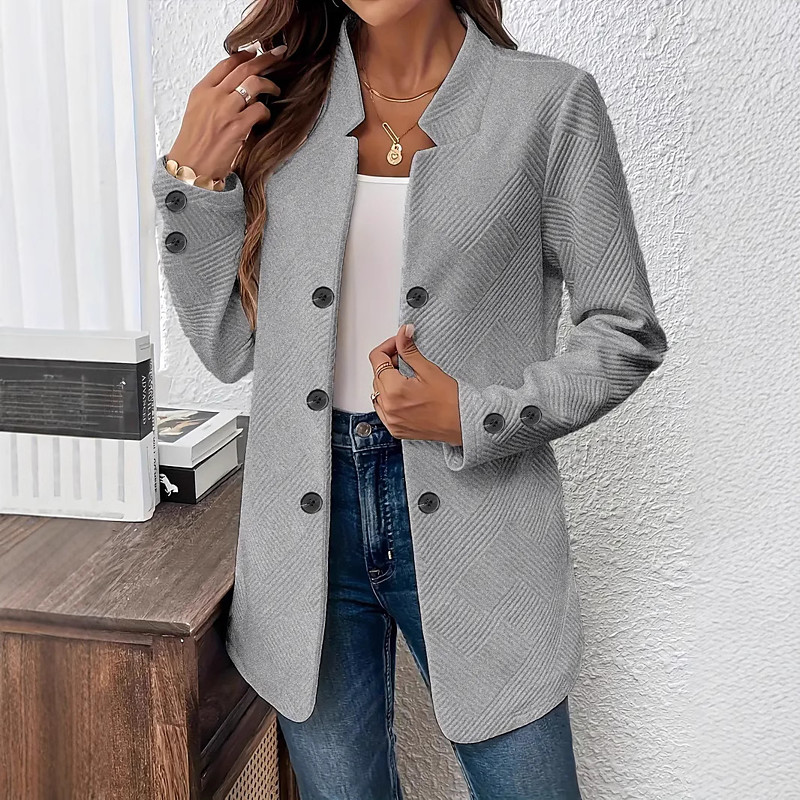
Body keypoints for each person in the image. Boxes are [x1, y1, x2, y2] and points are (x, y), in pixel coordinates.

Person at [151, 1, 669, 797]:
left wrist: (473, 412)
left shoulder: (547, 103)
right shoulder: (283, 106)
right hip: (304, 532)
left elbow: (624, 331)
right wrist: (193, 182)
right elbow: (230, 346)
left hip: (482, 521)